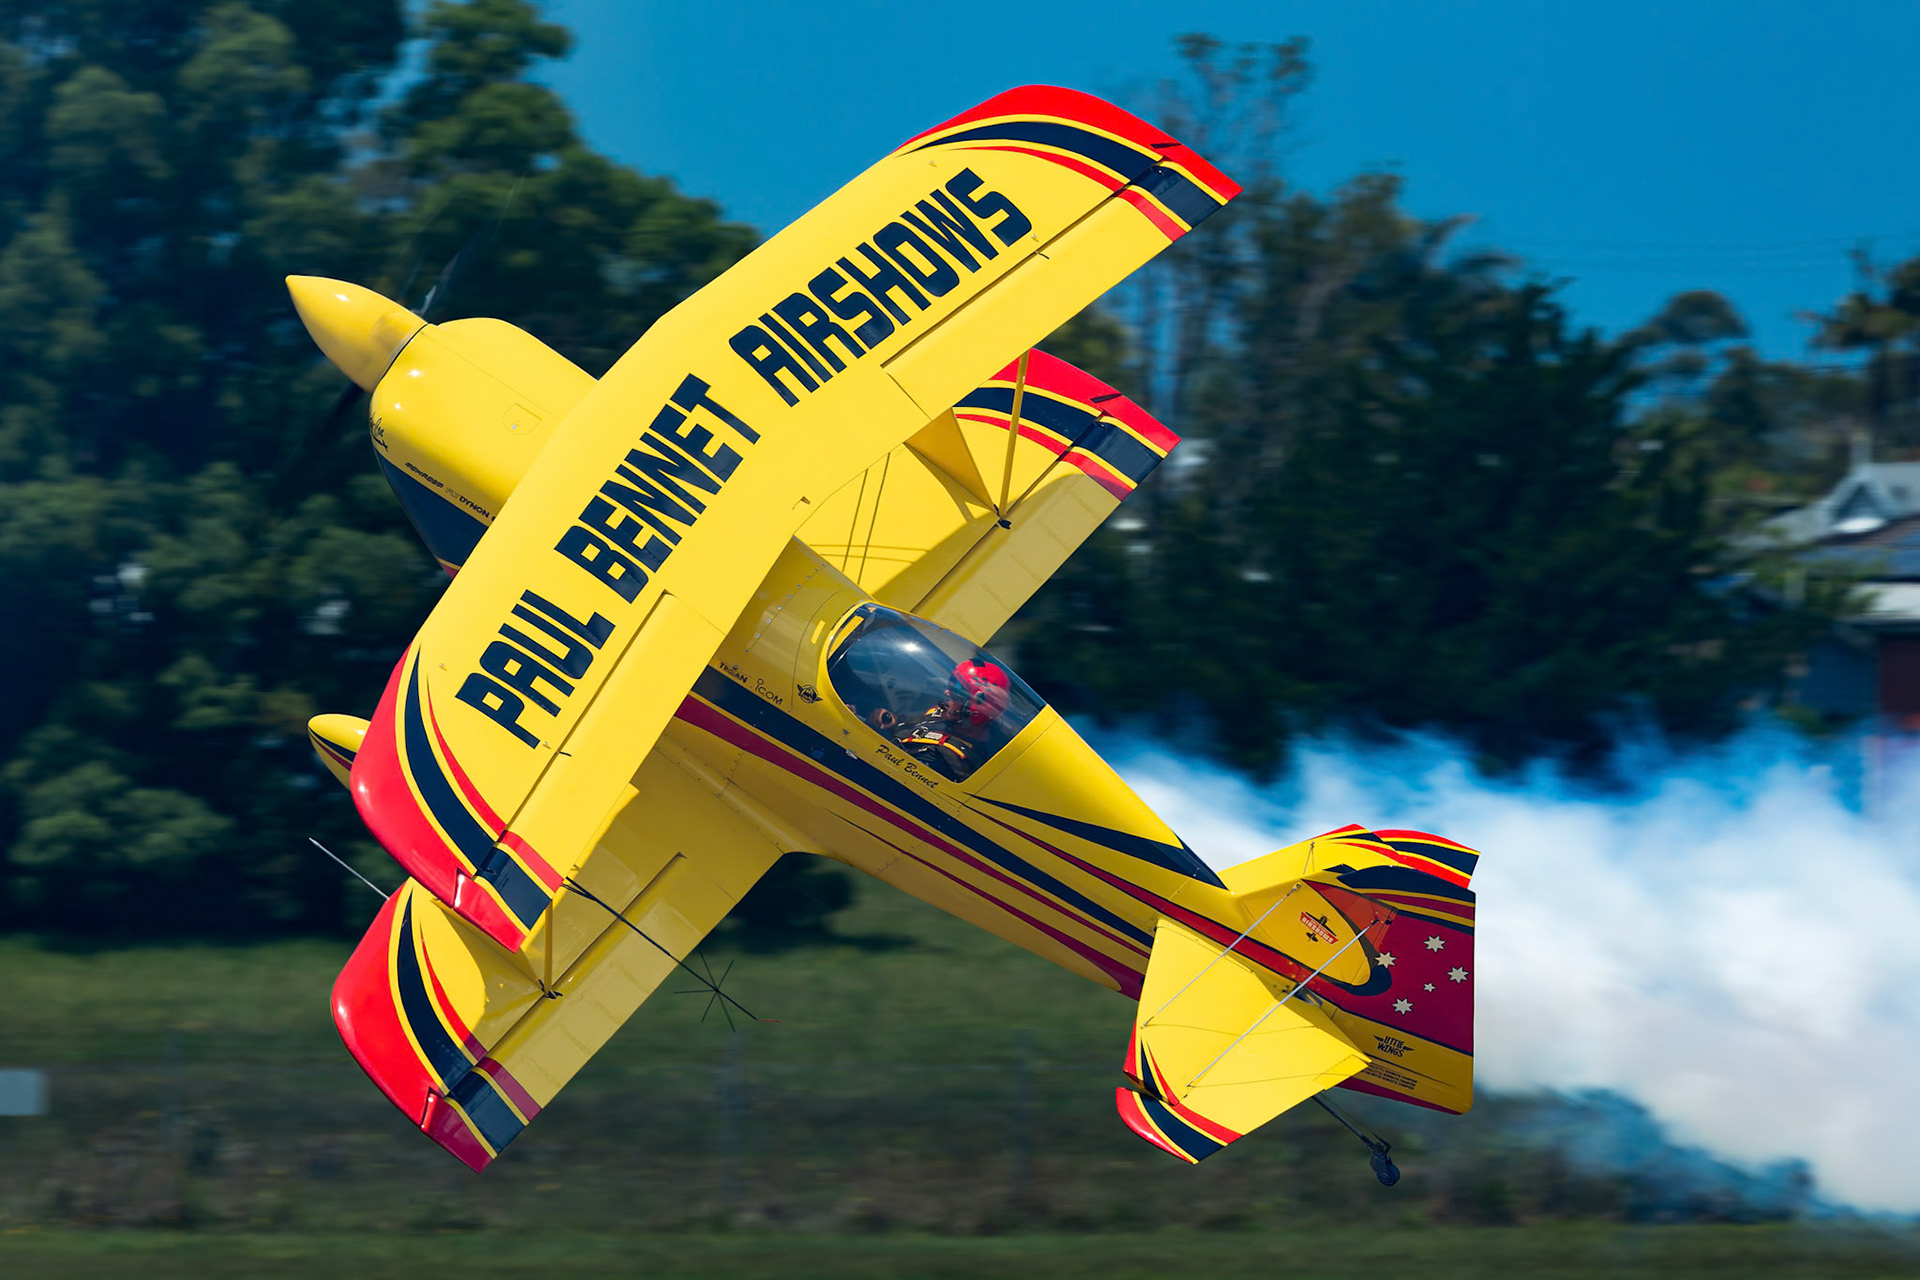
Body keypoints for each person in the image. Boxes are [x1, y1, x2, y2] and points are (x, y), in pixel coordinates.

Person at [872, 658, 1012, 781]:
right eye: (952, 685)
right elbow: (920, 721)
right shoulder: (947, 716)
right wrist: (891, 721)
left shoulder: (942, 759)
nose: (947, 692)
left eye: (958, 691)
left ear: (974, 711)